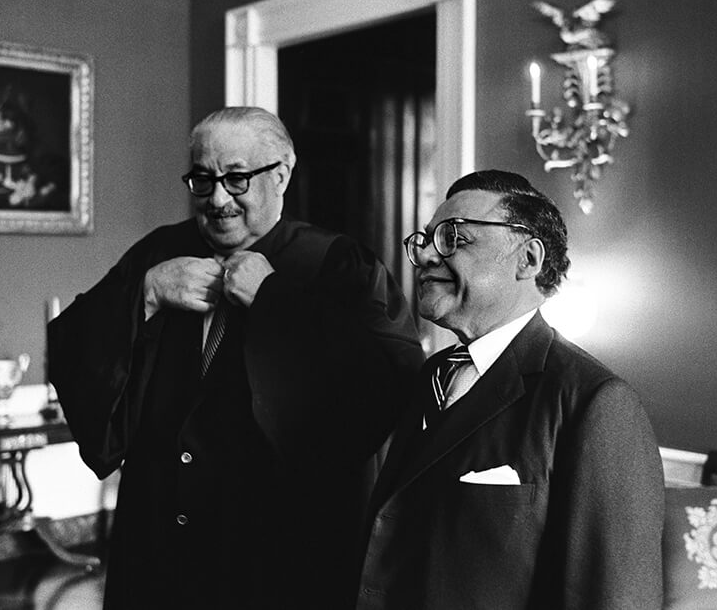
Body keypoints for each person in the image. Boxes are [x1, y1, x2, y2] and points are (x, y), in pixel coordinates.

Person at [48, 106, 424, 609]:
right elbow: (70, 343)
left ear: (282, 174)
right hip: (160, 533)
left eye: (237, 179)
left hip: (279, 542)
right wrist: (145, 294)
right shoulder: (159, 251)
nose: (218, 199)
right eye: (203, 180)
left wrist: (273, 298)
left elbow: (390, 382)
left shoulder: (337, 263)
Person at [355, 170, 664, 609]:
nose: (424, 255)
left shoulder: (595, 402)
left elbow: (612, 597)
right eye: (423, 241)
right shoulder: (433, 374)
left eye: (453, 238)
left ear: (528, 258)